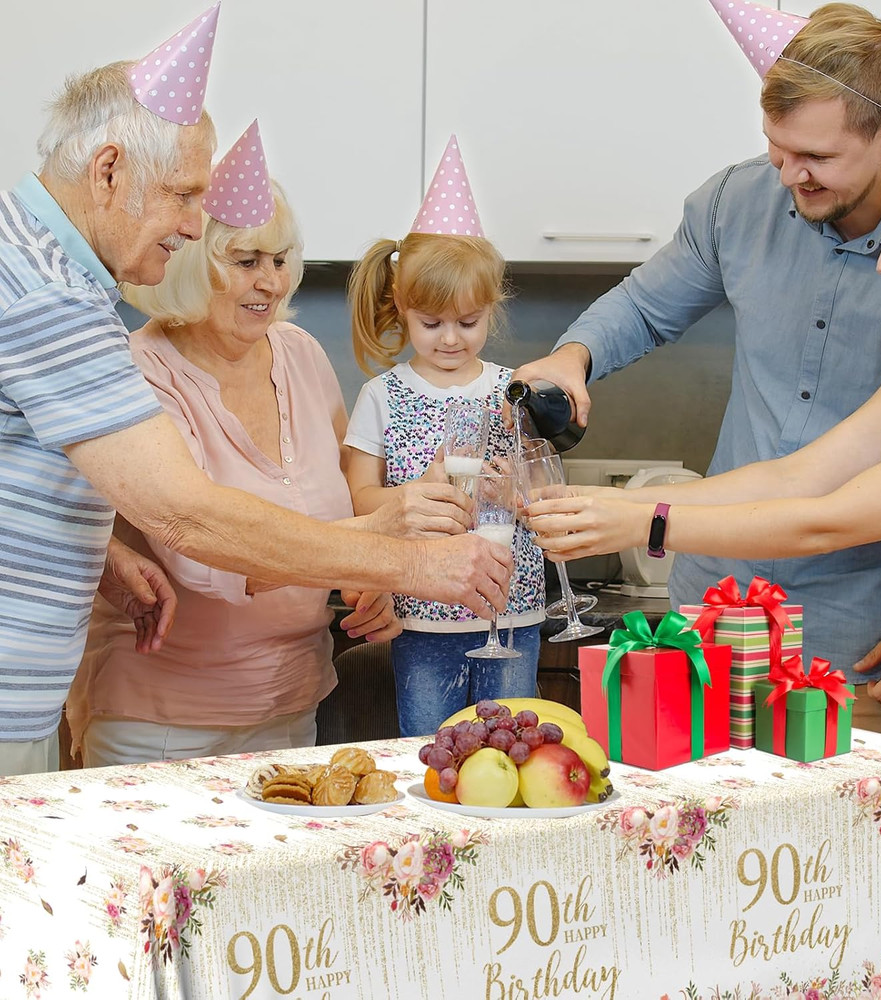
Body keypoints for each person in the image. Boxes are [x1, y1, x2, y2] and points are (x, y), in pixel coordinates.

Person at [0, 41, 509, 775]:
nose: (191, 223)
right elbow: (188, 516)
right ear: (109, 171)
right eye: (182, 195)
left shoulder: (27, 259)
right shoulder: (52, 292)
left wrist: (96, 550)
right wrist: (411, 563)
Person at [510, 2, 881, 741]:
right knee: (694, 829)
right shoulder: (737, 200)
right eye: (776, 149)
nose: (788, 175)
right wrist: (572, 355)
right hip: (713, 598)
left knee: (846, 842)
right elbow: (645, 307)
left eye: (815, 156)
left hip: (870, 620)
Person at [66, 127, 400, 763]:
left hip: (294, 706)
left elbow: (346, 504)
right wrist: (381, 556)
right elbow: (205, 556)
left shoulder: (301, 355)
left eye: (280, 261)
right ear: (193, 261)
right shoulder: (140, 371)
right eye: (246, 262)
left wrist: (372, 578)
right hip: (160, 723)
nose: (270, 283)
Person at [344, 137, 545, 737]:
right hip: (422, 612)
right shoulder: (383, 395)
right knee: (429, 753)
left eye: (468, 322)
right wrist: (418, 491)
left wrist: (518, 492)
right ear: (401, 310)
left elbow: (547, 493)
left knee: (510, 754)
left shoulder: (516, 392)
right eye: (431, 324)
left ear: (492, 309)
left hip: (512, 611)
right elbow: (358, 499)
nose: (451, 339)